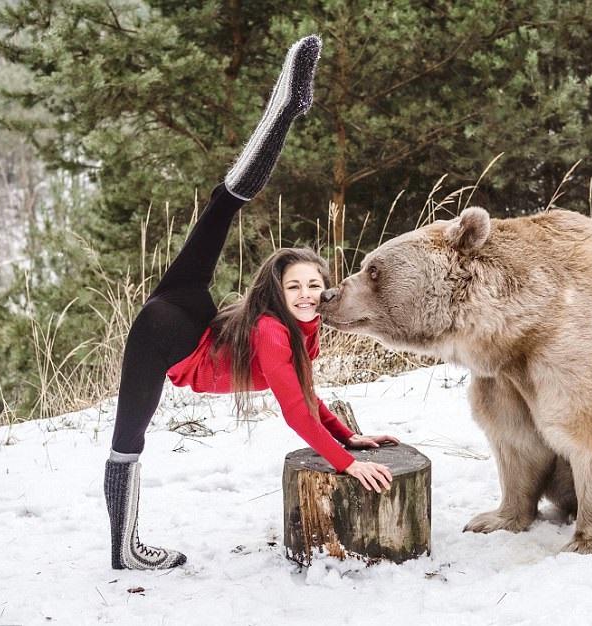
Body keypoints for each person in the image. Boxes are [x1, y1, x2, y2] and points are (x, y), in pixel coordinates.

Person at [104, 35, 399, 571]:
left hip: (187, 308)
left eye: (315, 285)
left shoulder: (297, 326)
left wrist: (348, 435)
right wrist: (345, 463)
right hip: (166, 337)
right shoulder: (270, 331)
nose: (309, 295)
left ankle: (285, 107)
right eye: (296, 288)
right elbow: (293, 410)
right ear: (277, 293)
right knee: (128, 440)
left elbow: (306, 393)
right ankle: (123, 550)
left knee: (224, 205)